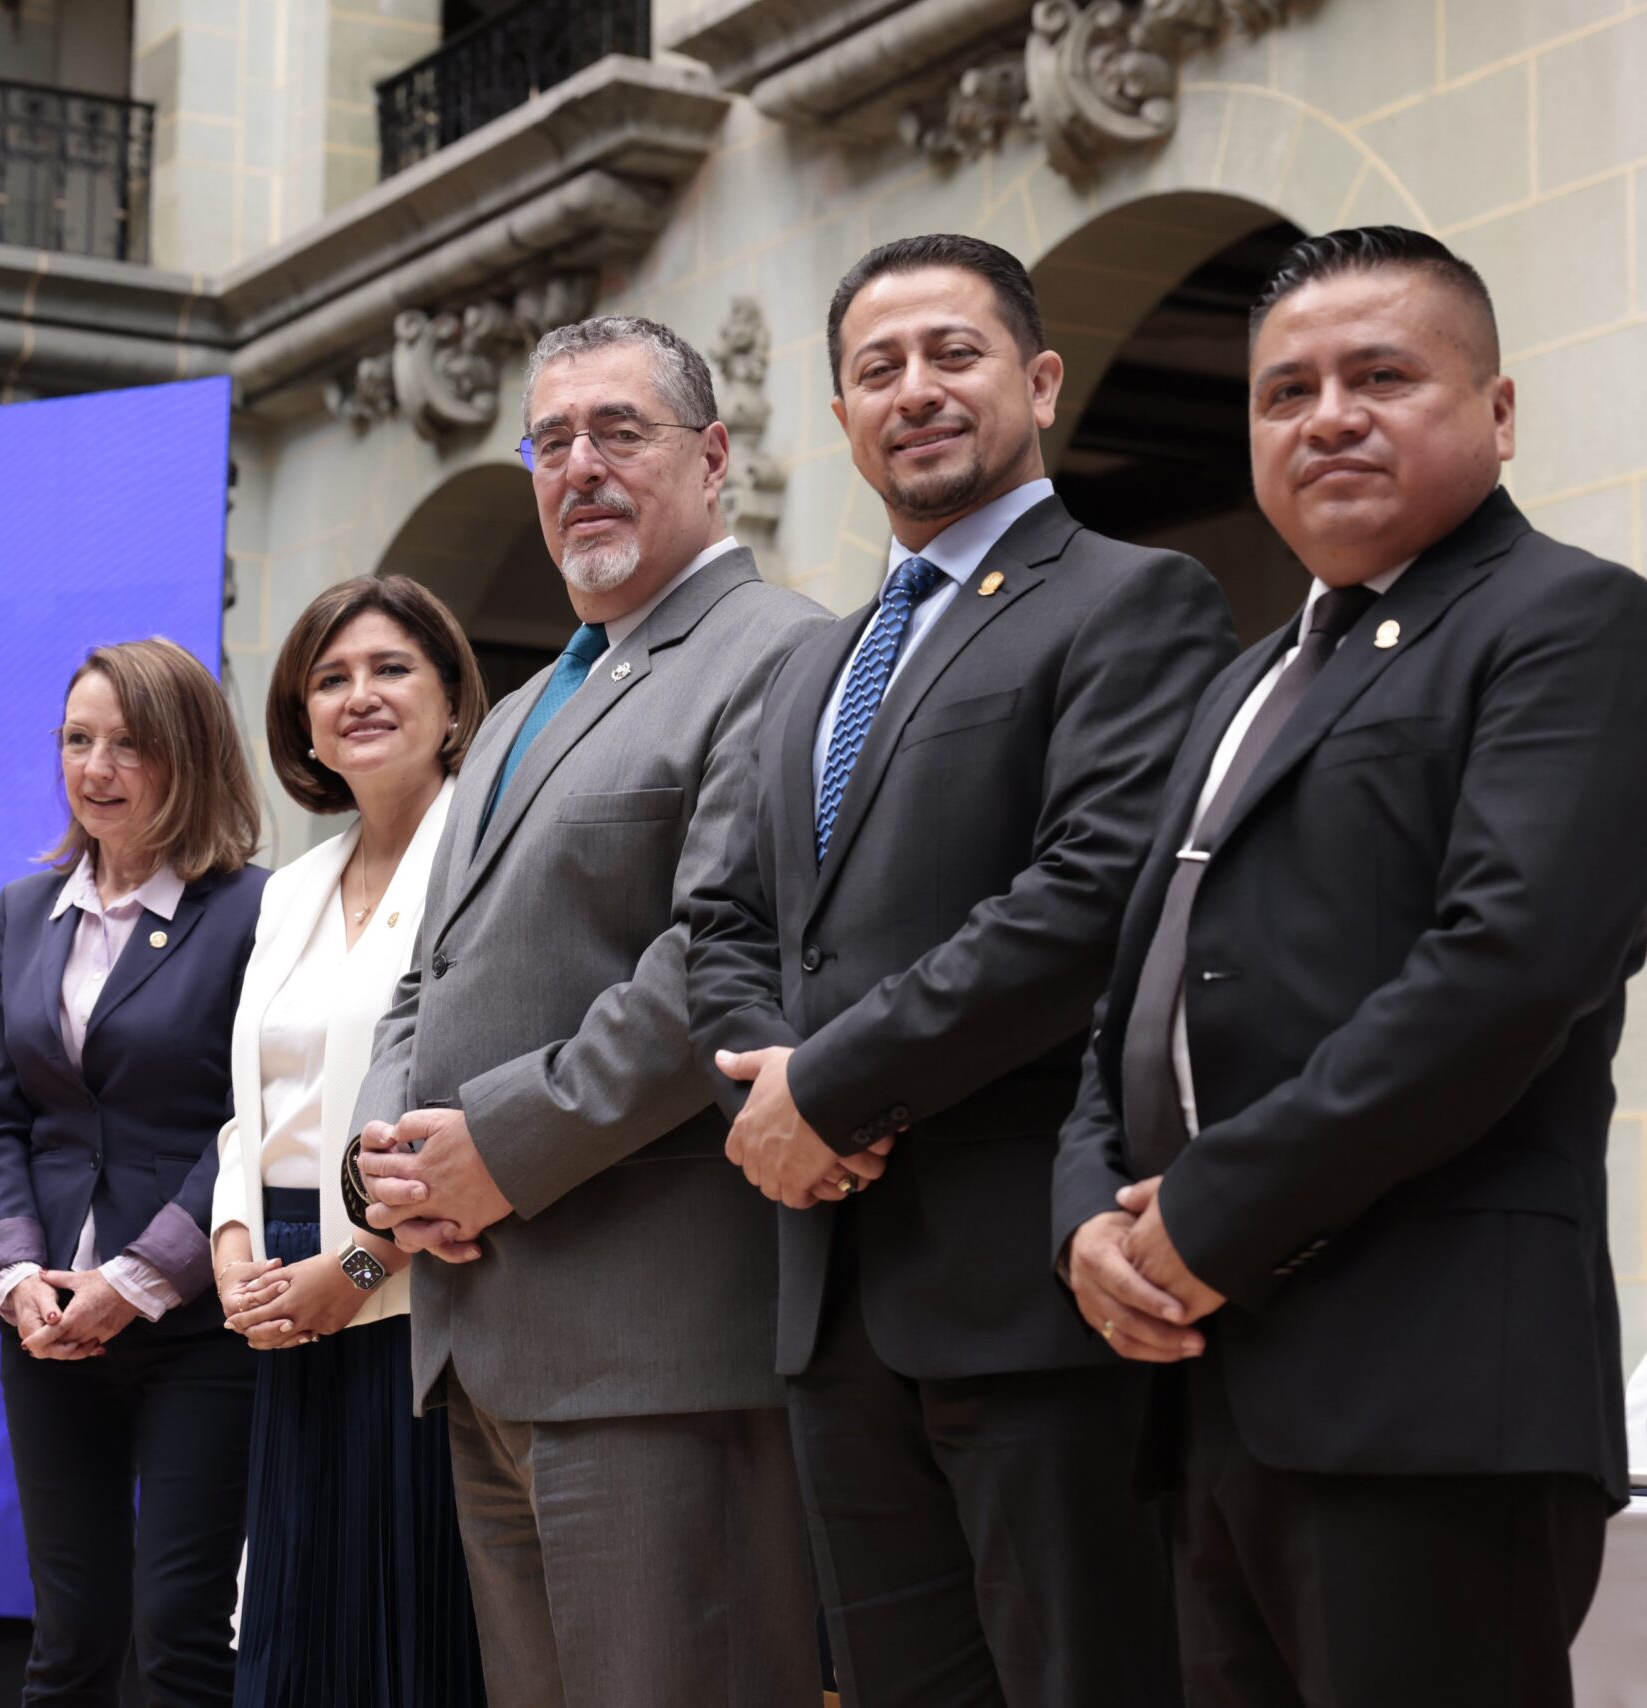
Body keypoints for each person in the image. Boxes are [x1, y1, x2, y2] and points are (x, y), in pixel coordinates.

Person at [1050, 226, 1647, 1708]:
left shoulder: (1571, 624)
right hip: (1207, 1392)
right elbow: (1131, 996)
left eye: (1380, 374)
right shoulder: (1246, 679)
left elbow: (1505, 973)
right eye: (1285, 392)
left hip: (1432, 1397)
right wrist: (1086, 1212)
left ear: (1500, 411)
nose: (1326, 414)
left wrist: (1202, 1214)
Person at [684, 233, 1235, 1708]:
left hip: (1026, 1290)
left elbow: (1086, 900)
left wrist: (836, 1086)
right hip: (831, 1296)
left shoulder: (1134, 599)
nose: (915, 391)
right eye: (878, 369)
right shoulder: (812, 663)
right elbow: (726, 921)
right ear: (844, 416)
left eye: (954, 354)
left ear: (1041, 382)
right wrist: (770, 1083)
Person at [347, 315, 832, 1708]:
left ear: (716, 455)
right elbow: (426, 975)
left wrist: (493, 1150)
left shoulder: (778, 652)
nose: (581, 467)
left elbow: (714, 961)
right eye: (551, 441)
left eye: (620, 431)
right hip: (483, 1337)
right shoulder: (514, 715)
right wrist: (389, 1164)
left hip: (656, 1346)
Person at [0, 637, 269, 1708]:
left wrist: (133, 1280)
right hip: (45, 1326)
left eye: (127, 743)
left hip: (194, 1332)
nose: (96, 768)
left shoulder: (254, 912)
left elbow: (249, 1127)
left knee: (180, 1633)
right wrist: (15, 1279)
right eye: (76, 741)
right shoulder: (19, 912)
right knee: (70, 1638)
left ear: (186, 754)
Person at [209, 574, 490, 1707]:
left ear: (452, 700)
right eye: (330, 678)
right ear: (301, 719)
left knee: (412, 1644)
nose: (357, 695)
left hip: (423, 1305)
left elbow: (477, 1107)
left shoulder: (483, 853)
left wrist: (365, 1264)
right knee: (297, 1638)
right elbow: (250, 1105)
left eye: (389, 669)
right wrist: (234, 1243)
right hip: (285, 1304)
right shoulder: (292, 888)